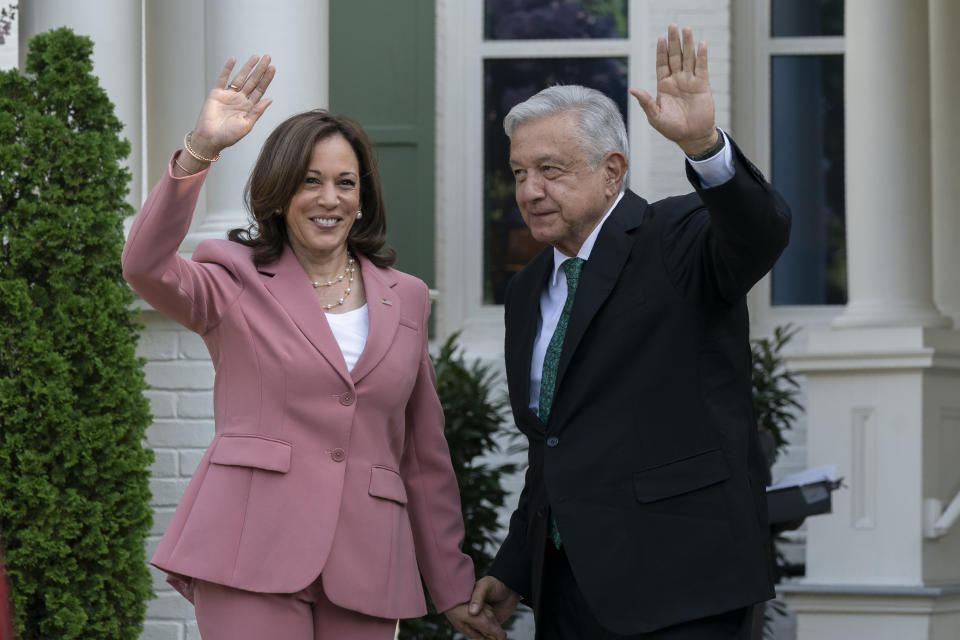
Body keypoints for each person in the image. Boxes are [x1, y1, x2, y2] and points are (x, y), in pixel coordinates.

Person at [122, 55, 503, 640]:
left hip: (367, 562)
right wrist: (201, 148)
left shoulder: (405, 298)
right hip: (248, 551)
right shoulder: (231, 280)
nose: (330, 198)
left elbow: (422, 459)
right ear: (279, 194)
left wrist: (452, 588)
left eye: (345, 183)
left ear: (363, 196)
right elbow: (145, 265)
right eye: (310, 181)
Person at [468, 25, 791, 639]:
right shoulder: (526, 288)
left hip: (683, 587)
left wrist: (704, 147)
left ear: (612, 170)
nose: (529, 192)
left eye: (550, 170)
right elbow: (553, 446)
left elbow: (760, 232)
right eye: (517, 173)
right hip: (566, 591)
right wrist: (514, 566)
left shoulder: (677, 236)